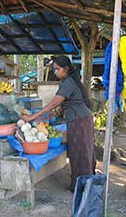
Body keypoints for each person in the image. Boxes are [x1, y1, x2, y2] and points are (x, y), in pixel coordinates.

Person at [21, 55, 96, 191]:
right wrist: (58, 111)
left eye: (57, 69)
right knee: (82, 151)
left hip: (79, 120)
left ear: (66, 69)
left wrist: (33, 117)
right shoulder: (70, 81)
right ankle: (83, 184)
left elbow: (54, 103)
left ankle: (82, 187)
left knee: (80, 152)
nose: (55, 72)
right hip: (80, 118)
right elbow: (70, 101)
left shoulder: (68, 82)